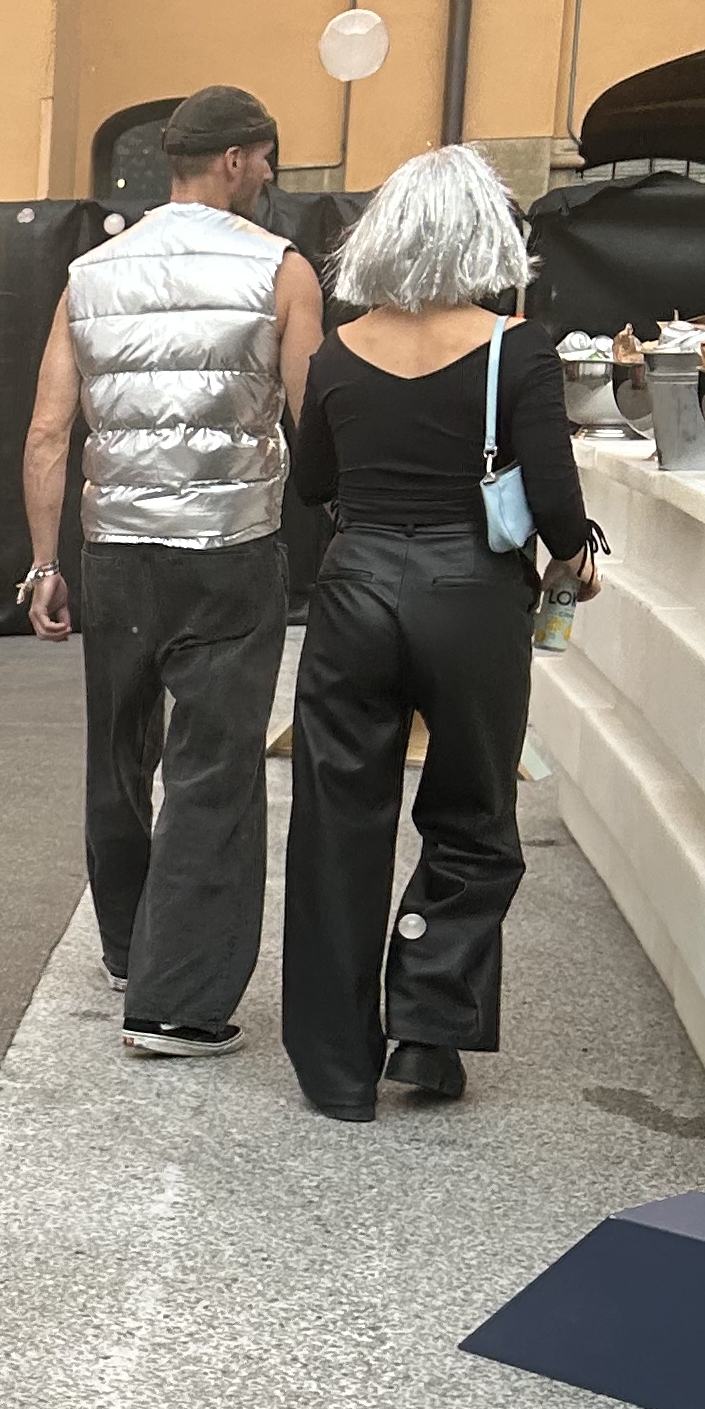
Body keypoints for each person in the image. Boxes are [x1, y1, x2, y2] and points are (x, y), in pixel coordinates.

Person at [280, 145, 596, 1120]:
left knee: (336, 828)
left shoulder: (338, 351)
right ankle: (427, 1020)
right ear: (482, 237)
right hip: (472, 599)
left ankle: (336, 1072)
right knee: (473, 817)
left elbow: (316, 488)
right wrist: (574, 561)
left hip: (355, 593)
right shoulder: (517, 348)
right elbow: (554, 504)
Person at [20, 85, 326, 1055]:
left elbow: (47, 433)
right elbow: (314, 424)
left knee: (119, 750)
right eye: (267, 157)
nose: (272, 176)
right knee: (213, 766)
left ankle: (124, 946)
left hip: (115, 550)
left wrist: (41, 566)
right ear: (233, 161)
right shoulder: (283, 270)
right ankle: (178, 1002)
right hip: (232, 549)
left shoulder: (90, 274)